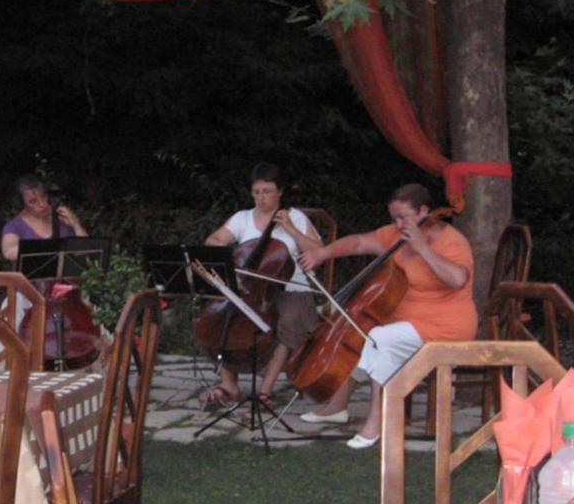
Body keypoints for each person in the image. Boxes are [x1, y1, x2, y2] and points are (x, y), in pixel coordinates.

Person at [296, 183, 477, 449]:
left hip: (446, 327)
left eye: (403, 217)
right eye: (394, 218)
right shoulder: (395, 235)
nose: (398, 223)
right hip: (407, 323)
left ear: (424, 211)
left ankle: (378, 419)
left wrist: (423, 248)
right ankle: (337, 406)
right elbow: (359, 242)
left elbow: (458, 279)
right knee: (359, 332)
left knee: (378, 338)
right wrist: (322, 253)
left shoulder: (452, 241)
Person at [201, 162, 323, 410]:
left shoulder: (295, 217)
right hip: (250, 290)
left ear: (280, 192)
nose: (261, 197)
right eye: (256, 192)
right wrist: (230, 253)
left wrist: (289, 229)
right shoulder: (242, 218)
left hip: (292, 289)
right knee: (217, 318)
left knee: (287, 320)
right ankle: (229, 384)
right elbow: (213, 240)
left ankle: (265, 391)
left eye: (267, 191)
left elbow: (319, 251)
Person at [0, 174, 88, 263]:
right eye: (33, 201)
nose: (42, 204)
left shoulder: (62, 219)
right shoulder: (15, 225)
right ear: (22, 204)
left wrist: (76, 224)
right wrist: (47, 247)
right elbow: (8, 252)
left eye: (43, 196)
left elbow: (87, 250)